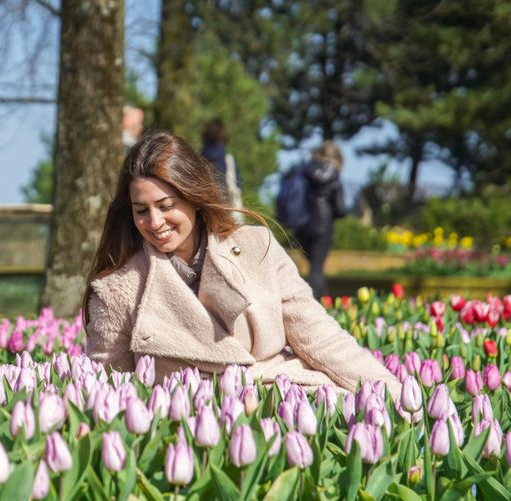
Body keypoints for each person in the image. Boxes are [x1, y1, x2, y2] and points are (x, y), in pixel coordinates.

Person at [83, 131, 400, 398]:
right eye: (141, 210)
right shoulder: (117, 291)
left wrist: (393, 396)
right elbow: (111, 390)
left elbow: (319, 337)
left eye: (166, 206)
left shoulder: (256, 246)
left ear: (194, 197)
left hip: (286, 400)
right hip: (192, 427)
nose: (154, 222)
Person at [294, 141, 347, 299]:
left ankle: (324, 299)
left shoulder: (304, 170)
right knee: (317, 269)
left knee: (314, 267)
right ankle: (312, 303)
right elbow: (340, 209)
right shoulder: (334, 177)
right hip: (322, 227)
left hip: (302, 224)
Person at [200, 118, 243, 213]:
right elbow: (238, 185)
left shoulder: (198, 158)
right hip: (227, 209)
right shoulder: (228, 158)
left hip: (206, 209)